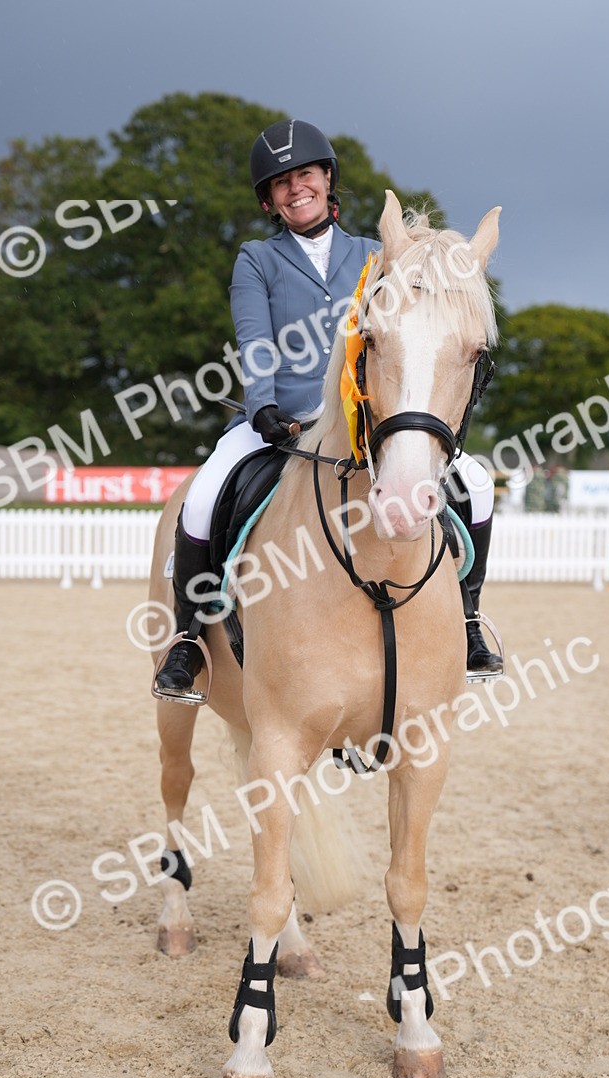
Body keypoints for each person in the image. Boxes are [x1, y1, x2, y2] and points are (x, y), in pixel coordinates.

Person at [154, 119, 501, 701]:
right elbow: (256, 341)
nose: (297, 189)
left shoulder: (377, 254)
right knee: (206, 493)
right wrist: (261, 404)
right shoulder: (257, 260)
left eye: (306, 175)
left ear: (327, 180)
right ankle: (190, 637)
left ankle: (467, 619)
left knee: (479, 484)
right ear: (269, 199)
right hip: (280, 425)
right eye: (282, 183)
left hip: (368, 422)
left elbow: (414, 331)